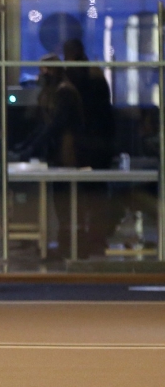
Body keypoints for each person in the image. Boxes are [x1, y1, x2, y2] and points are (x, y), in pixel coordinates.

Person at [15, 53, 87, 260]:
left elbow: (55, 125)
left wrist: (32, 147)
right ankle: (66, 247)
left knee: (66, 204)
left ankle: (71, 248)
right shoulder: (56, 92)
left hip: (68, 155)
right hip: (59, 154)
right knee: (60, 204)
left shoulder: (65, 92)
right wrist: (28, 145)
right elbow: (45, 125)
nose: (41, 76)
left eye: (44, 71)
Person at [63, 38, 117, 257]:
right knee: (97, 193)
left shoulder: (78, 76)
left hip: (88, 143)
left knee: (86, 194)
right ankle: (96, 238)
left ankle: (86, 239)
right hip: (101, 141)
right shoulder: (95, 74)